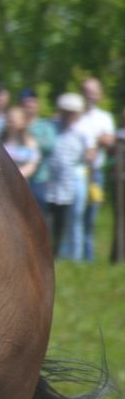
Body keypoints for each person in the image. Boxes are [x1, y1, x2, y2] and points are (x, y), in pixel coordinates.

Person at [38, 92, 95, 258]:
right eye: (65, 111)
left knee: (75, 217)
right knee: (52, 217)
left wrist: (88, 158)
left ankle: (75, 256)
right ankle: (53, 252)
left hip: (75, 176)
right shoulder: (51, 126)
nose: (68, 115)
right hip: (52, 178)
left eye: (72, 112)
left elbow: (91, 152)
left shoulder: (83, 130)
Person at [70, 77, 115, 262]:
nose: (90, 95)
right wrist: (96, 140)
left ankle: (89, 257)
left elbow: (109, 141)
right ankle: (74, 257)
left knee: (91, 217)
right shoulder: (76, 116)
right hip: (76, 172)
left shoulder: (104, 117)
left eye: (93, 91)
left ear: (100, 94)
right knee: (74, 217)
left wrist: (93, 142)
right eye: (86, 90)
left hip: (95, 173)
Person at [1, 105, 40, 182]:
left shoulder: (30, 142)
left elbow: (32, 165)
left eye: (13, 118)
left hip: (21, 184)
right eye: (8, 117)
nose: (10, 120)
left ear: (23, 121)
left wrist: (15, 176)